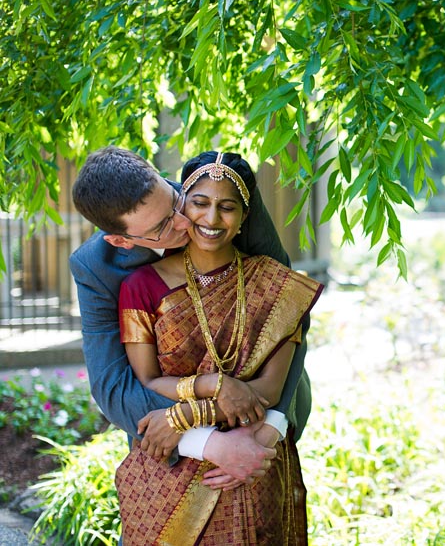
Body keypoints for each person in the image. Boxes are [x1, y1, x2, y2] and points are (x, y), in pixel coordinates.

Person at [69, 146, 312, 487]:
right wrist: (203, 437)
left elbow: (288, 307)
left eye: (174, 201)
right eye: (163, 225)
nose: (189, 221)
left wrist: (270, 425)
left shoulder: (217, 192)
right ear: (122, 240)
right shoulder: (95, 267)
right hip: (171, 451)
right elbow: (113, 387)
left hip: (262, 423)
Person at [115, 151, 323, 544]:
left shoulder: (276, 287)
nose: (211, 219)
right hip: (170, 469)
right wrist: (212, 390)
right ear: (181, 204)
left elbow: (271, 390)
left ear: (245, 216)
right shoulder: (140, 287)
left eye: (227, 207)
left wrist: (183, 415)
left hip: (249, 463)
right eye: (200, 203)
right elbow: (147, 381)